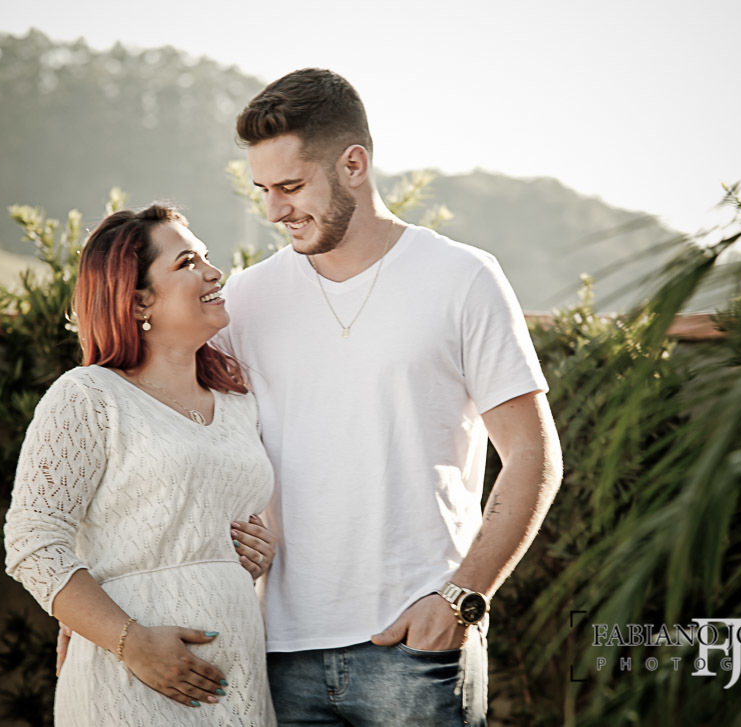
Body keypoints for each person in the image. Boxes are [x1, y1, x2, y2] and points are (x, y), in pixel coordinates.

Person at [217, 68, 564, 726]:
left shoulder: (462, 278)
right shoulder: (244, 300)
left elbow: (532, 455)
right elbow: (166, 436)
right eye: (263, 190)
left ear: (353, 165)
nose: (274, 211)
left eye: (291, 186)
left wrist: (462, 599)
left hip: (418, 649)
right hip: (280, 650)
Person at [4, 204, 279, 726]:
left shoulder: (239, 403)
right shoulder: (88, 395)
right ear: (136, 301)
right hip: (129, 680)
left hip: (236, 674)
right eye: (187, 263)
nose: (213, 272)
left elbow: (196, 526)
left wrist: (252, 553)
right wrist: (131, 643)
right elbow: (32, 543)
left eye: (206, 257)